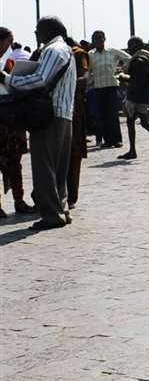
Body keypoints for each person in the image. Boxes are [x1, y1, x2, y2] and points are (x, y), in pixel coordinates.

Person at [2, 17, 77, 231]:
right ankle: (61, 210)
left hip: (48, 115)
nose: (35, 33)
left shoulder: (53, 50)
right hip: (63, 113)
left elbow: (40, 80)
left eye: (38, 29)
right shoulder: (66, 50)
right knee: (59, 168)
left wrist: (8, 79)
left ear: (48, 30)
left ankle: (52, 215)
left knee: (44, 168)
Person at [0, 28, 34, 220]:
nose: (9, 45)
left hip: (12, 116)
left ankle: (19, 200)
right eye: (8, 41)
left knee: (15, 160)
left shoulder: (10, 62)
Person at [87, 30, 129, 149]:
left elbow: (128, 59)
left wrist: (122, 71)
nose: (98, 40)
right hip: (99, 87)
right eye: (95, 38)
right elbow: (88, 71)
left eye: (100, 38)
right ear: (93, 41)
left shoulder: (112, 51)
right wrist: (88, 81)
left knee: (113, 114)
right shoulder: (90, 54)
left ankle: (117, 140)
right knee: (102, 115)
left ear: (104, 39)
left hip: (111, 86)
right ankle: (108, 140)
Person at [65, 37, 89, 207]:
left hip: (73, 111)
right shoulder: (43, 53)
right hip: (69, 110)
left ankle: (71, 196)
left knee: (72, 154)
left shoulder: (78, 54)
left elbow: (84, 79)